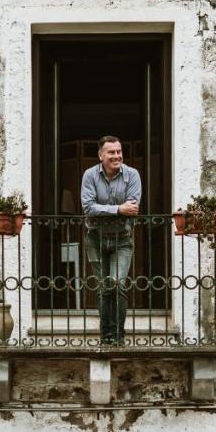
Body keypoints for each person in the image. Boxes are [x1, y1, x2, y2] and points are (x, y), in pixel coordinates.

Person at [80, 136, 141, 345]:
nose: (117, 156)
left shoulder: (132, 175)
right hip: (95, 238)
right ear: (101, 156)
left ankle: (118, 335)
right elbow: (88, 207)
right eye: (111, 152)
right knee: (104, 287)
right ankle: (106, 335)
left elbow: (132, 208)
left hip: (122, 239)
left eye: (119, 151)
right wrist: (118, 209)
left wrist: (107, 210)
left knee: (117, 284)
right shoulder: (90, 175)